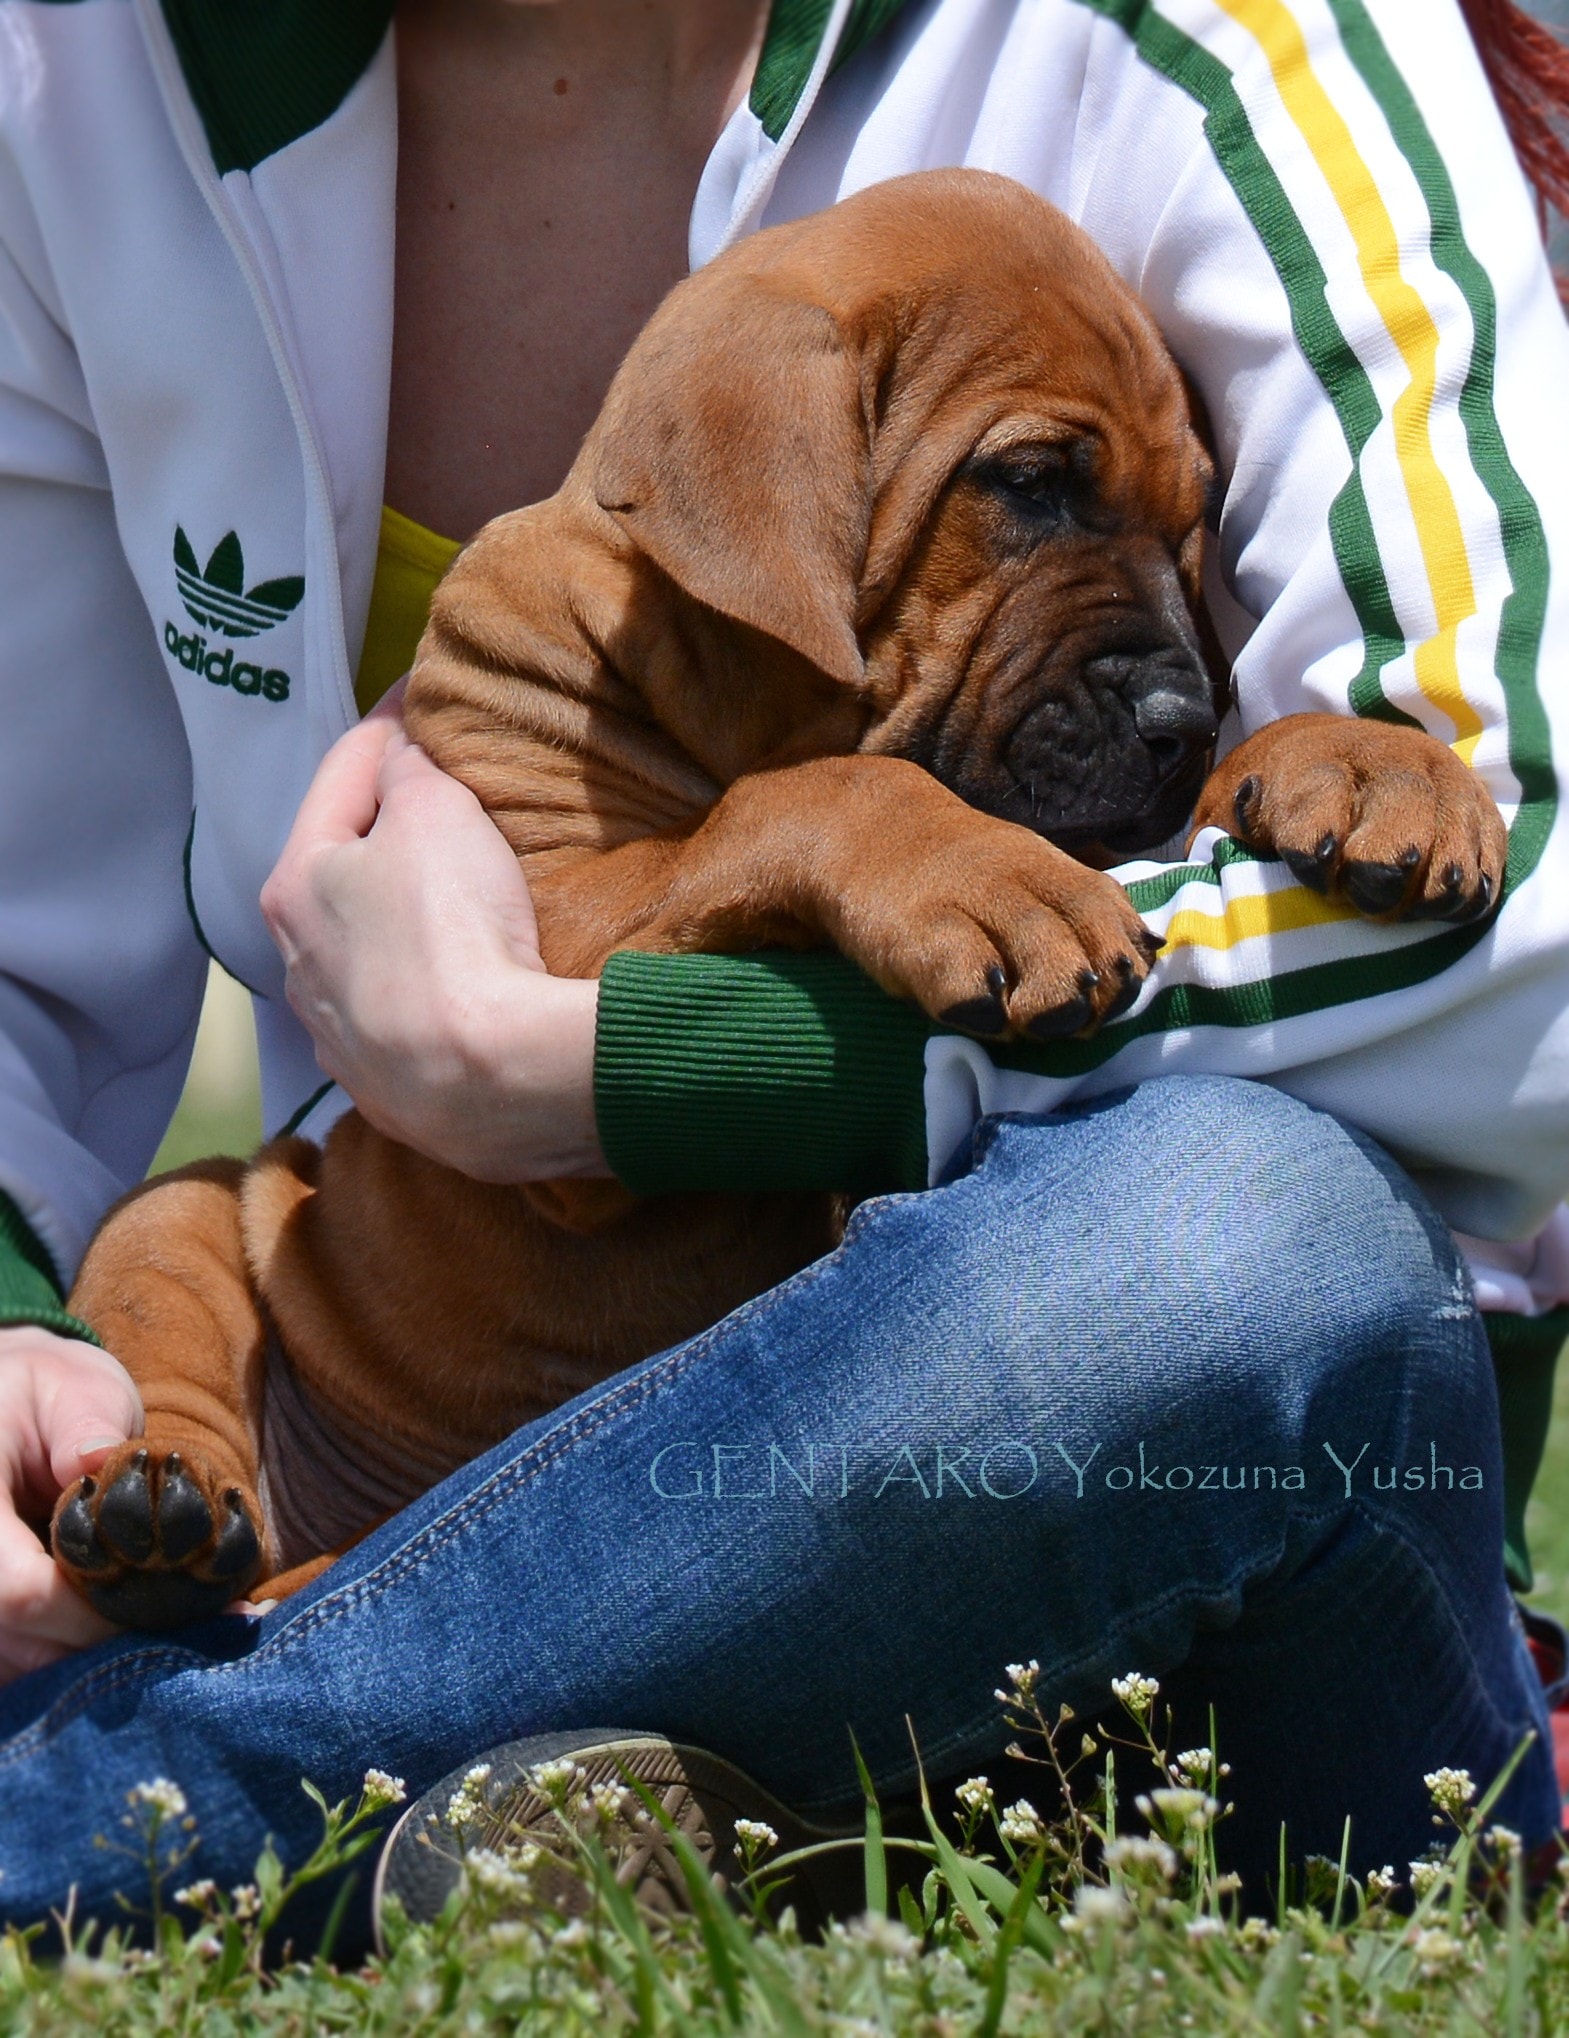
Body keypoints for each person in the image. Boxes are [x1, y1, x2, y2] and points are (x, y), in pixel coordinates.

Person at [0, 0, 1568, 1948]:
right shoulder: (82, 68)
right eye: (1032, 497)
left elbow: (1536, 911)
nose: (1166, 678)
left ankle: (106, 1813)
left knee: (1244, 1243)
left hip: (1156, 1476)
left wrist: (627, 1062)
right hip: (431, 1412)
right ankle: (599, 1800)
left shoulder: (1224, 43)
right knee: (193, 1238)